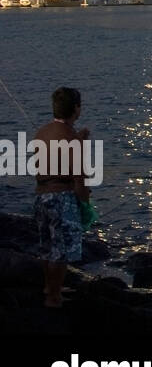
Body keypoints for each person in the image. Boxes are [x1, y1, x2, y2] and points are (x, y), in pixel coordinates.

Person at [33, 87, 91, 308]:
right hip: (62, 198)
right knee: (62, 251)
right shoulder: (73, 139)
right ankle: (54, 298)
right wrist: (85, 201)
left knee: (47, 246)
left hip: (41, 196)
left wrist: (78, 137)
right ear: (76, 108)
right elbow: (79, 177)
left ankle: (51, 287)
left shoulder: (41, 132)